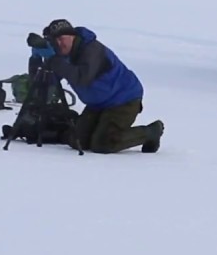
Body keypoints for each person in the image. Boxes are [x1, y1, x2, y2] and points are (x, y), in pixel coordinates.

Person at [35, 18, 163, 153]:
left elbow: (82, 78)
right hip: (96, 104)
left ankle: (151, 132)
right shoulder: (63, 55)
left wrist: (54, 60)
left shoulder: (91, 49)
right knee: (77, 141)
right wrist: (36, 59)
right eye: (55, 41)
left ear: (72, 36)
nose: (59, 44)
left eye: (62, 39)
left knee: (103, 144)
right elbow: (48, 81)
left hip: (123, 100)